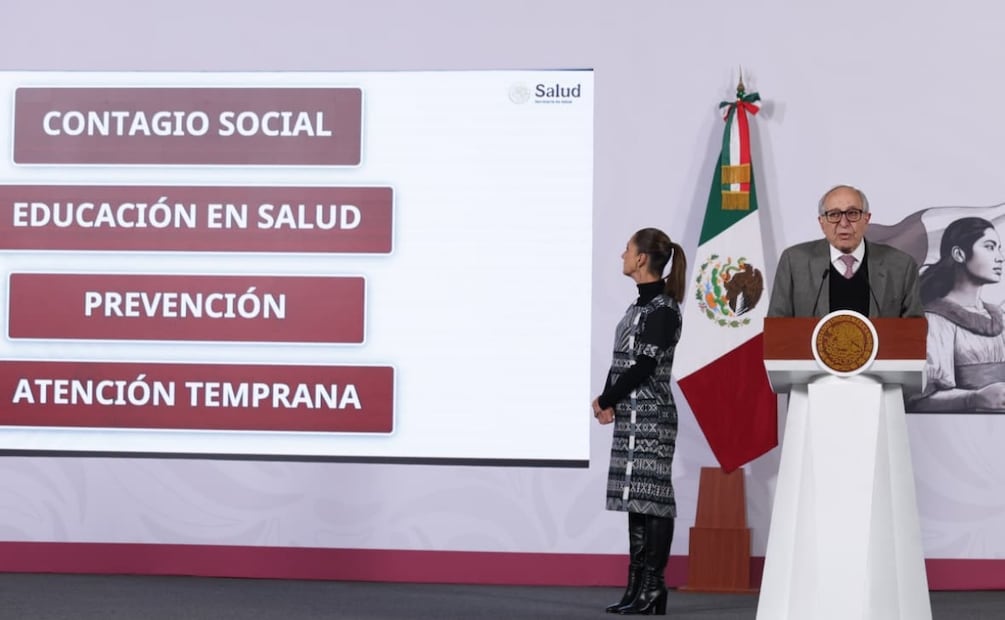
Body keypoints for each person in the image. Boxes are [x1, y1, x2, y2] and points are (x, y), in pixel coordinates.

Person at [593, 227, 686, 616]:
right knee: (636, 499)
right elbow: (622, 360)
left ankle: (653, 587)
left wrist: (608, 397)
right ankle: (636, 586)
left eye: (627, 250)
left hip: (652, 413)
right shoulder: (638, 308)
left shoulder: (662, 309)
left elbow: (646, 365)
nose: (622, 255)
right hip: (631, 415)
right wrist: (606, 398)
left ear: (642, 258)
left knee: (655, 500)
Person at [767, 184, 923, 318]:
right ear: (822, 222)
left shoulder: (901, 266)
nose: (843, 223)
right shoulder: (794, 262)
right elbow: (778, 326)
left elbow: (913, 332)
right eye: (834, 215)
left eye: (852, 213)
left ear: (866, 219)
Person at [910, 217, 1005, 411]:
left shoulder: (998, 316)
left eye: (999, 248)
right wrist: (975, 398)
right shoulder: (935, 321)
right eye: (989, 247)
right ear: (959, 254)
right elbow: (918, 399)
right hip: (958, 431)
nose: (1000, 257)